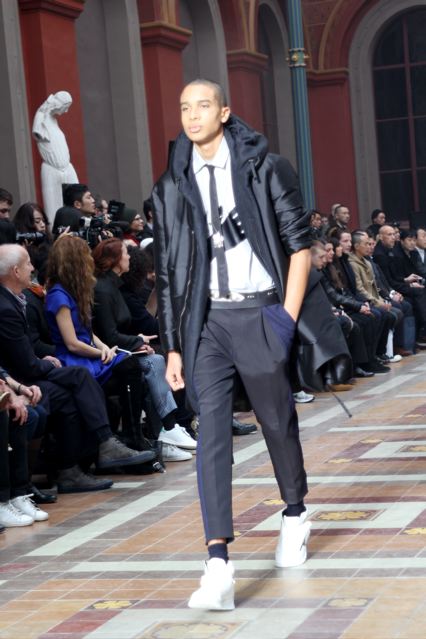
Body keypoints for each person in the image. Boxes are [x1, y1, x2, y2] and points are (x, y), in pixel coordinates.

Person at [152, 78, 312, 610]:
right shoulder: (172, 184)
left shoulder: (265, 168)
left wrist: (285, 321)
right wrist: (174, 346)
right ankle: (217, 561)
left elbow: (300, 247)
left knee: (276, 422)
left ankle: (295, 512)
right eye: (184, 107)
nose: (192, 115)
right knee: (212, 435)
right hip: (207, 323)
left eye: (203, 105)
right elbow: (168, 272)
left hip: (261, 312)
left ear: (224, 111)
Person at [0, 244, 157, 493]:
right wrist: (40, 368)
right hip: (33, 372)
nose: (33, 267)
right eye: (28, 263)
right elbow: (41, 356)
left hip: (36, 369)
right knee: (83, 377)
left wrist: (105, 349)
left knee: (78, 391)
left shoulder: (25, 298)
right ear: (16, 271)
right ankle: (107, 443)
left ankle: (74, 468)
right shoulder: (14, 305)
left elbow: (88, 333)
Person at [92, 238, 197, 461]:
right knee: (156, 360)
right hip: (110, 355)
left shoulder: (114, 286)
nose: (129, 257)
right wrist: (137, 341)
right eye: (125, 253)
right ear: (115, 260)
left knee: (157, 360)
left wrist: (137, 341)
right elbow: (109, 335)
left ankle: (170, 427)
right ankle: (170, 426)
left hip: (123, 350)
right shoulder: (103, 290)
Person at [32, 92, 79, 223]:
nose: (66, 111)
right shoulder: (41, 117)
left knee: (78, 198)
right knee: (53, 206)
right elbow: (38, 133)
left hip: (66, 167)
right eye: (66, 107)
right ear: (59, 104)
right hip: (52, 168)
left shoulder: (53, 120)